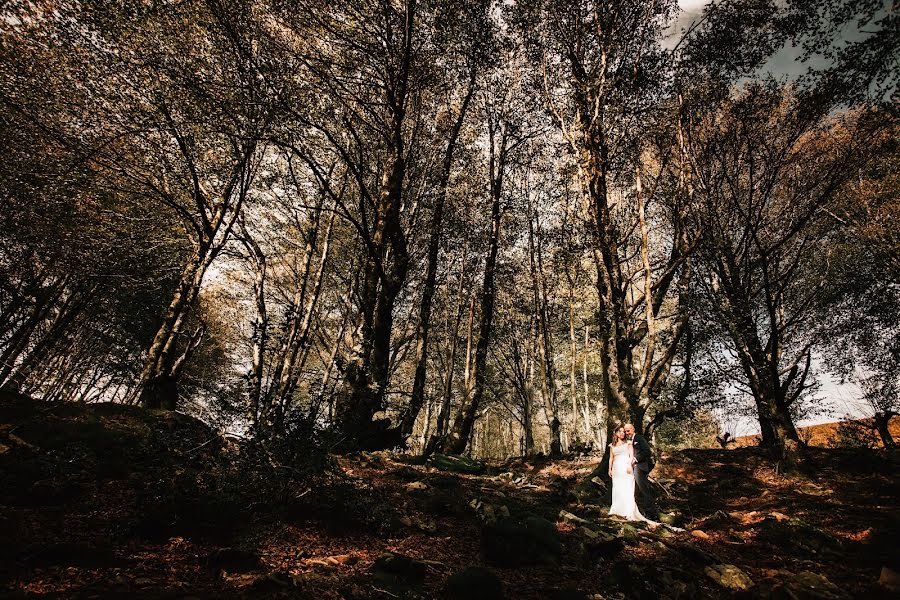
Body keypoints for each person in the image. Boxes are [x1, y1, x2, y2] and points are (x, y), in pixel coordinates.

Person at [607, 424, 649, 521]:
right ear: (616, 433)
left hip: (626, 467)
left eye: (623, 431)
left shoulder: (628, 443)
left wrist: (630, 465)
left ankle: (628, 510)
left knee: (627, 488)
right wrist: (610, 469)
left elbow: (631, 455)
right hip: (616, 468)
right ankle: (617, 509)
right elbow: (611, 458)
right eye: (620, 431)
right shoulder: (612, 445)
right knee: (617, 488)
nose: (622, 433)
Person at [624, 423, 660, 521]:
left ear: (633, 429)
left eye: (628, 430)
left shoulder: (639, 438)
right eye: (625, 431)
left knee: (644, 490)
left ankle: (652, 514)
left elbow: (647, 451)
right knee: (633, 490)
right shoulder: (627, 441)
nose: (627, 433)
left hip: (640, 467)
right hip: (631, 469)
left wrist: (636, 459)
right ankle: (637, 511)